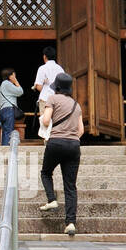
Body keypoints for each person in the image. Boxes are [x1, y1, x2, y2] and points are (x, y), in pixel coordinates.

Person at [37, 72, 84, 235]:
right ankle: (70, 223)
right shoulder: (76, 105)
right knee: (70, 186)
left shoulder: (52, 99)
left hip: (56, 142)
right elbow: (81, 130)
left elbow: (45, 121)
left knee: (45, 173)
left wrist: (45, 117)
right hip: (73, 145)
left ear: (56, 86)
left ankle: (52, 200)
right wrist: (70, 139)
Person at [33, 46, 65, 112]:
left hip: (45, 99)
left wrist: (46, 88)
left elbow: (38, 86)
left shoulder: (42, 68)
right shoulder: (60, 69)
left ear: (44, 56)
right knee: (57, 121)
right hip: (58, 100)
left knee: (45, 121)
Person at [0, 68, 24, 146]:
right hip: (9, 110)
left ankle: (4, 151)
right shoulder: (7, 84)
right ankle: (7, 153)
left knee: (5, 132)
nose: (15, 77)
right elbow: (20, 92)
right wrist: (16, 82)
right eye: (14, 75)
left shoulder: (2, 85)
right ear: (10, 76)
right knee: (9, 132)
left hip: (3, 110)